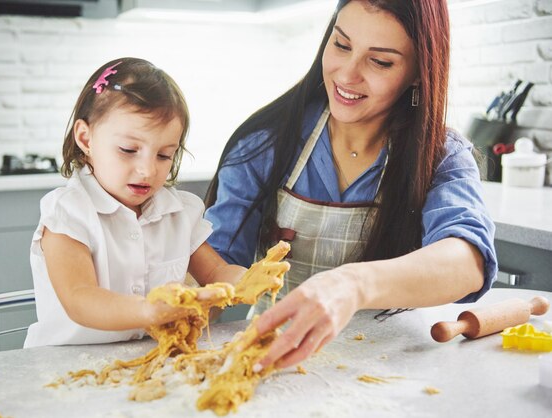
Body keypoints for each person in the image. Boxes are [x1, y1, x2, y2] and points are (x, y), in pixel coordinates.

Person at [204, 0, 497, 371]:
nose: (347, 74)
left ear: (419, 71)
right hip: (275, 362)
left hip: (390, 368)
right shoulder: (266, 144)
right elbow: (216, 266)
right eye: (341, 45)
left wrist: (354, 285)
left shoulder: (440, 156)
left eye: (380, 62)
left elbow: (468, 260)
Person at [24, 58, 246, 348]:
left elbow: (216, 273)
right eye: (128, 150)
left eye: (164, 155)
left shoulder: (180, 213)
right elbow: (80, 298)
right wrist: (147, 311)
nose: (148, 170)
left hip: (149, 363)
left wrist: (247, 281)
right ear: (85, 138)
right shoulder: (68, 213)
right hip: (61, 369)